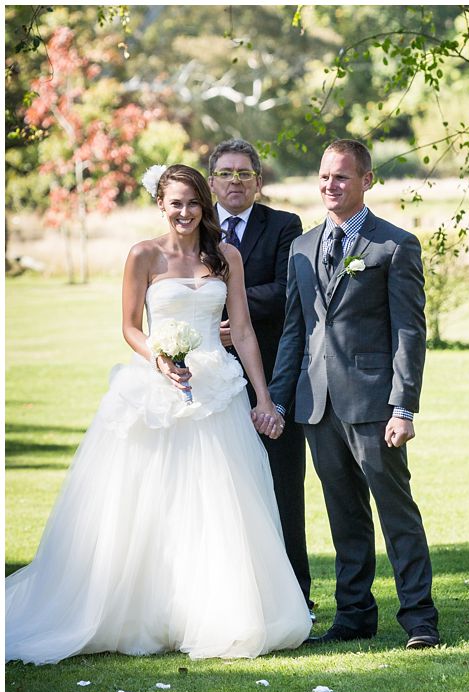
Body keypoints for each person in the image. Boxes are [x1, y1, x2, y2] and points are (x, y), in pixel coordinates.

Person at [5, 165, 312, 664]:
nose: (185, 212)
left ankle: (215, 611)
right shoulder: (143, 255)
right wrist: (160, 357)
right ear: (160, 205)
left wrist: (263, 397)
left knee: (220, 501)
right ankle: (141, 609)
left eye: (193, 202)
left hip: (218, 388)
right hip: (156, 388)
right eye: (176, 203)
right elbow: (129, 327)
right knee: (150, 500)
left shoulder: (227, 256)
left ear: (204, 205)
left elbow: (248, 332)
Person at [266, 139, 439, 649]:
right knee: (344, 515)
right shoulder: (302, 247)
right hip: (315, 405)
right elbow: (296, 333)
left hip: (373, 403)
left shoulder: (394, 245)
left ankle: (420, 618)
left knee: (396, 510)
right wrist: (278, 400)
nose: (329, 185)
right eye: (323, 176)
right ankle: (355, 615)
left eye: (341, 176)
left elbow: (410, 331)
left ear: (366, 180)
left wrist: (403, 406)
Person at [208, 138, 311, 612]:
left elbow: (289, 289)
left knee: (283, 485)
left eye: (244, 173)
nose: (234, 181)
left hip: (272, 375)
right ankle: (230, 599)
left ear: (259, 181)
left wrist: (232, 310)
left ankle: (295, 597)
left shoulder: (285, 226)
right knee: (217, 487)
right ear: (211, 182)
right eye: (225, 173)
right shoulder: (192, 223)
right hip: (208, 378)